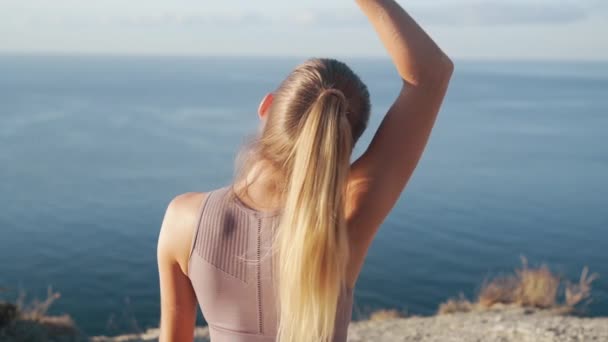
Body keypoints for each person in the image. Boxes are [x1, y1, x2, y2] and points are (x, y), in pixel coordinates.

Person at [157, 0, 454, 341]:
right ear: (342, 147)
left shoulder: (182, 220)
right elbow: (432, 73)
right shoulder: (346, 218)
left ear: (266, 107)